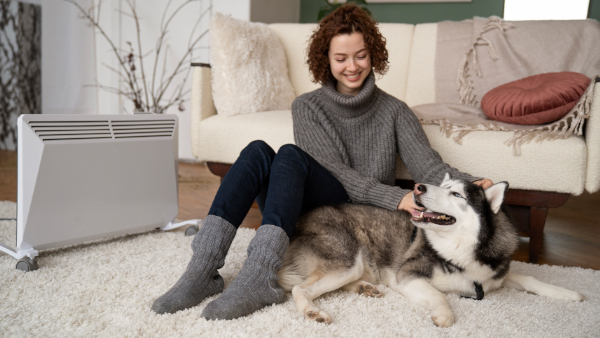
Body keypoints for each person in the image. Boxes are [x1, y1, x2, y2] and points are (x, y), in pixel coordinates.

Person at [151, 4, 493, 320]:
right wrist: (396, 197)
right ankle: (202, 269)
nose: (352, 66)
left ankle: (259, 276)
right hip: (304, 205)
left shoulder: (395, 111)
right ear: (325, 60)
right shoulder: (308, 107)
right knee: (258, 150)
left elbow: (429, 167)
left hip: (355, 220)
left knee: (287, 154)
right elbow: (335, 171)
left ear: (373, 55)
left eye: (360, 56)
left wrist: (472, 184)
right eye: (341, 58)